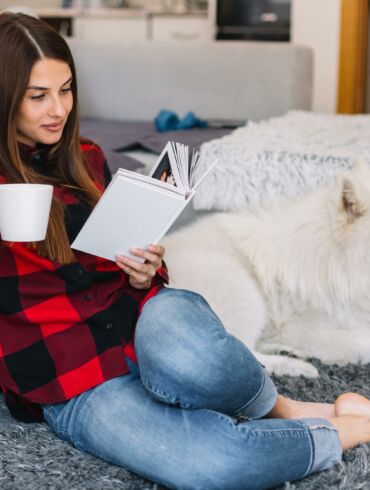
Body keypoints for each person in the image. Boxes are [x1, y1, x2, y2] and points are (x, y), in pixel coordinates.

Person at [1, 12, 370, 490]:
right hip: (76, 381)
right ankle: (344, 427)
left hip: (145, 325)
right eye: (38, 97)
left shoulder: (88, 158)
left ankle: (278, 406)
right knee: (216, 464)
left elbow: (134, 267)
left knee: (200, 359)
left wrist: (144, 271)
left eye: (66, 90)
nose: (58, 109)